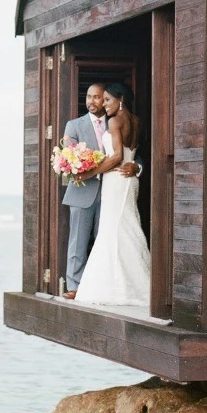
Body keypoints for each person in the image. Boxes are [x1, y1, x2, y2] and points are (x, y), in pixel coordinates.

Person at [72, 83, 151, 306]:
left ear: (121, 100)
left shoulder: (115, 121)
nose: (103, 105)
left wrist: (89, 173)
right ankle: (136, 285)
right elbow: (130, 154)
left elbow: (116, 157)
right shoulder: (136, 121)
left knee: (112, 230)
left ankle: (113, 289)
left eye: (107, 100)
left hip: (116, 179)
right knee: (127, 227)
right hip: (129, 180)